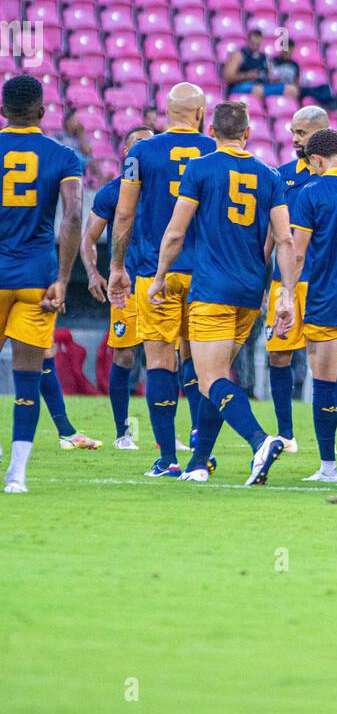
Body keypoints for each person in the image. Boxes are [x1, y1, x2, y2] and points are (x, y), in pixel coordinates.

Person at [149, 100, 293, 485]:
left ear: (210, 133)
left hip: (212, 287)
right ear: (248, 134)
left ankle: (260, 441)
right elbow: (284, 238)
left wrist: (160, 274)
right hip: (250, 290)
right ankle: (198, 462)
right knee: (218, 376)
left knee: (210, 379)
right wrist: (288, 295)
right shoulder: (269, 175)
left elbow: (176, 230)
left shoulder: (199, 168)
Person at [107, 82, 217, 477]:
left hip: (156, 273)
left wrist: (116, 267)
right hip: (206, 276)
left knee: (158, 362)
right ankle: (201, 454)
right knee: (204, 366)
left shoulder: (140, 152)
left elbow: (123, 216)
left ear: (167, 113)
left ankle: (167, 457)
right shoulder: (215, 150)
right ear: (202, 112)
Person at [0, 75, 83, 493]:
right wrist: (64, 279)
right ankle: (16, 476)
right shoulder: (62, 156)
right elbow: (71, 215)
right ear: (41, 111)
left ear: (2, 111)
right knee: (28, 377)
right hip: (37, 277)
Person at [277, 127, 337, 483]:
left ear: (316, 160)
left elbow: (298, 252)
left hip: (326, 295)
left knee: (325, 378)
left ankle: (328, 467)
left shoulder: (312, 191)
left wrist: (286, 296)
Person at [81, 125, 155, 450]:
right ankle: (123, 432)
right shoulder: (111, 192)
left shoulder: (168, 193)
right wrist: (92, 271)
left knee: (167, 359)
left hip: (160, 285)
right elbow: (88, 237)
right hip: (126, 286)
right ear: (126, 153)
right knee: (125, 356)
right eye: (138, 145)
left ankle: (169, 434)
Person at [264, 105, 329, 453]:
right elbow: (272, 236)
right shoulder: (281, 176)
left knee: (324, 358)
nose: (293, 138)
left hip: (322, 282)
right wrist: (263, 283)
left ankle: (325, 443)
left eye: (300, 133)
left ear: (319, 134)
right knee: (278, 356)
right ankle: (285, 432)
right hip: (284, 281)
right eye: (292, 131)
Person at [55, 108, 107, 188]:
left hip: (81, 162)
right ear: (66, 122)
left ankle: (102, 181)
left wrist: (81, 134)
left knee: (92, 161)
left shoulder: (80, 137)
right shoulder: (59, 135)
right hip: (66, 161)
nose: (77, 123)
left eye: (77, 120)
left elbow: (87, 151)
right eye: (74, 120)